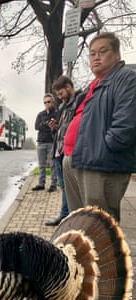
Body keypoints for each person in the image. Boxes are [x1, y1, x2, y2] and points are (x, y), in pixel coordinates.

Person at [63, 32, 136, 222]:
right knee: (79, 223)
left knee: (99, 227)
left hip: (100, 164)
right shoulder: (92, 85)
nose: (96, 57)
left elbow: (125, 126)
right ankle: (81, 253)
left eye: (102, 52)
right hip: (76, 159)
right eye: (92, 53)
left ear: (117, 54)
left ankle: (104, 253)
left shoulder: (127, 78)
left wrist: (103, 148)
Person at [45, 76, 81, 226]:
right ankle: (65, 215)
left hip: (69, 152)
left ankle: (69, 217)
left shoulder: (79, 102)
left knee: (70, 188)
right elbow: (62, 130)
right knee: (64, 187)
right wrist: (54, 129)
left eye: (61, 94)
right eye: (57, 95)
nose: (59, 98)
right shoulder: (63, 107)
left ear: (69, 87)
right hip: (59, 150)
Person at [32, 93, 58, 192]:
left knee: (53, 164)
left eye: (48, 102)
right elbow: (36, 127)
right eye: (45, 102)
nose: (46, 104)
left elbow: (56, 126)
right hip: (41, 142)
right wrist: (46, 125)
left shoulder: (56, 113)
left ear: (53, 102)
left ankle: (53, 184)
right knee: (41, 165)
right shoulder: (40, 114)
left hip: (52, 142)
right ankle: (41, 183)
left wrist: (45, 125)